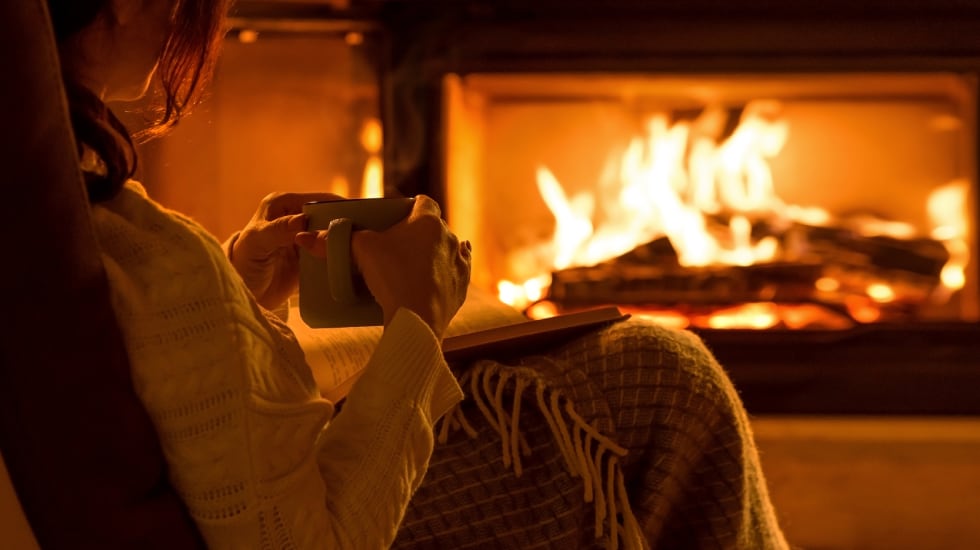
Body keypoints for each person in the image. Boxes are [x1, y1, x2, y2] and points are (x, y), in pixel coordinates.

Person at [47, 0, 790, 548]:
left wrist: (238, 296)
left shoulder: (61, 208)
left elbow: (139, 374)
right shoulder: (142, 247)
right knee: (664, 380)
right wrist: (417, 325)